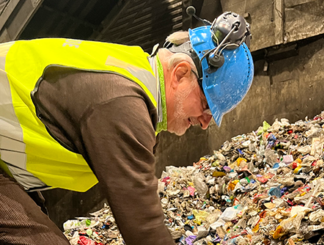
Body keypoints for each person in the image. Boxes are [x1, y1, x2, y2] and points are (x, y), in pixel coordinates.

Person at [0, 11, 253, 245]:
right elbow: (144, 228)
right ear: (180, 73)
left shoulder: (133, 74)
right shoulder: (122, 104)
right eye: (206, 105)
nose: (205, 122)